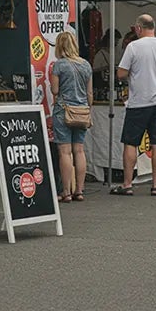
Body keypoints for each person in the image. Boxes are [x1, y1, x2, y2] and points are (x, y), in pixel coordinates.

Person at [111, 14, 156, 197]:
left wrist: (135, 73)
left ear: (139, 28)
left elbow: (121, 73)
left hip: (139, 102)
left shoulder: (133, 47)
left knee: (131, 142)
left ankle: (127, 184)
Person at [50, 32, 93, 203]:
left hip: (64, 110)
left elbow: (55, 90)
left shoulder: (59, 65)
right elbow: (90, 93)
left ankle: (66, 191)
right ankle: (79, 190)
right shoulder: (86, 65)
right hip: (81, 111)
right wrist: (87, 108)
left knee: (65, 152)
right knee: (79, 151)